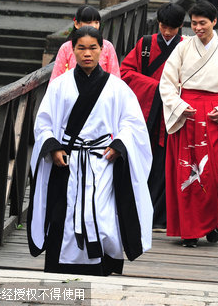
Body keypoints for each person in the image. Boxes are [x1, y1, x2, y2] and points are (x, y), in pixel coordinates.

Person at [28, 26, 153, 275]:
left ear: (102, 49)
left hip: (102, 162)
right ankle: (59, 266)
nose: (87, 53)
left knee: (103, 216)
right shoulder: (60, 86)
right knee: (63, 215)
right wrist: (52, 146)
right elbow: (43, 123)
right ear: (72, 50)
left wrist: (120, 145)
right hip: (68, 161)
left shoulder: (117, 88)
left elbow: (132, 123)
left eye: (93, 48)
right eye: (81, 48)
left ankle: (104, 265)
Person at [159, 0, 218, 248]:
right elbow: (167, 82)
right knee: (186, 173)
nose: (197, 28)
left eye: (203, 23)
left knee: (211, 174)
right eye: (194, 23)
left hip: (212, 115)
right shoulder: (183, 48)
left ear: (214, 21)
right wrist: (177, 106)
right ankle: (189, 230)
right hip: (186, 114)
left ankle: (211, 222)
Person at [120, 2, 186, 230]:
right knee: (143, 162)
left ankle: (162, 216)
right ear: (158, 23)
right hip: (147, 113)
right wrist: (156, 87)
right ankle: (138, 211)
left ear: (180, 27)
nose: (167, 32)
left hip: (174, 114)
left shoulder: (187, 47)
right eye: (164, 26)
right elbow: (126, 72)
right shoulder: (145, 44)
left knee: (167, 165)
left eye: (173, 28)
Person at [50, 5, 120, 82]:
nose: (94, 26)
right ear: (76, 24)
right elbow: (55, 79)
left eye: (96, 22)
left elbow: (115, 78)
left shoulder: (107, 46)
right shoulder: (66, 48)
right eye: (88, 22)